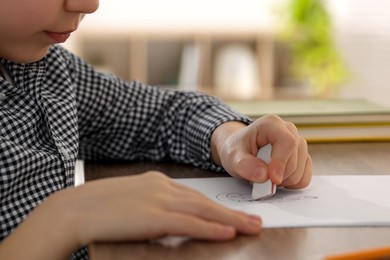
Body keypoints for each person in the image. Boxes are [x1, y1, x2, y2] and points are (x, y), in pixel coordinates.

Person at [0, 0, 312, 259]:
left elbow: (161, 114)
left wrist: (230, 138)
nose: (89, 5)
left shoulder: (48, 69)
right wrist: (66, 217)